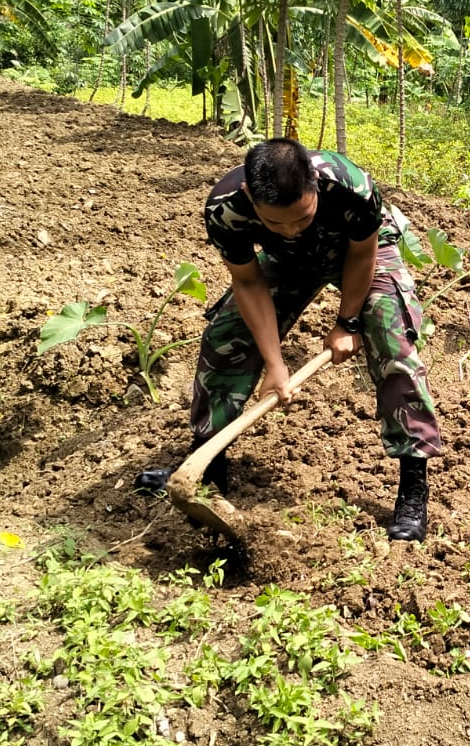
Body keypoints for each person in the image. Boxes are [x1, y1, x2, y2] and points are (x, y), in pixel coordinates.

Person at [136, 138, 440, 541]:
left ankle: (413, 486)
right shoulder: (226, 209)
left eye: (301, 217)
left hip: (360, 252)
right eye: (276, 223)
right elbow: (247, 281)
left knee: (392, 343)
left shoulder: (351, 187)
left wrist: (348, 323)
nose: (292, 228)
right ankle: (208, 468)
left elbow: (362, 255)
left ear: (314, 186)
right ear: (249, 193)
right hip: (286, 262)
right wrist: (275, 363)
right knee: (225, 338)